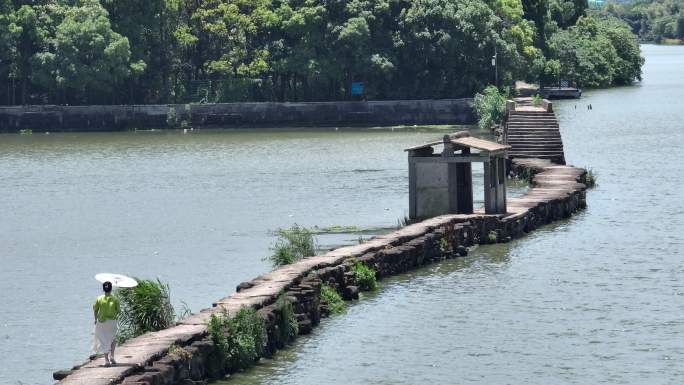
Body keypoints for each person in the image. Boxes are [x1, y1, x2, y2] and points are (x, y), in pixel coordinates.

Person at [92, 281, 120, 366]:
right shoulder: (115, 299)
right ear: (111, 289)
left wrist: (95, 319)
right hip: (112, 321)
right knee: (113, 338)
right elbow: (118, 311)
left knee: (103, 340)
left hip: (101, 322)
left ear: (103, 289)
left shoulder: (99, 298)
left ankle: (106, 360)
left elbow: (95, 309)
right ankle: (112, 356)